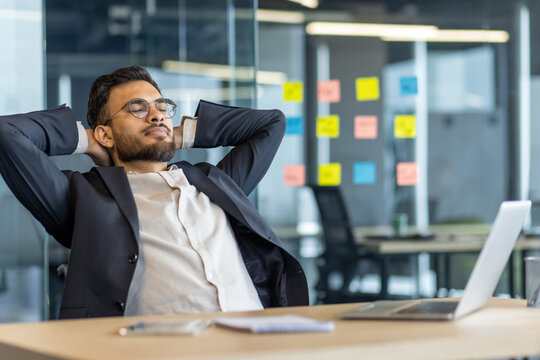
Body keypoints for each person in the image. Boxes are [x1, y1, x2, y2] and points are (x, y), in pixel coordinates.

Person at [0, 66, 308, 319]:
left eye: (162, 107)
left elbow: (271, 123)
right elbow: (8, 134)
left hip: (258, 343)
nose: (157, 115)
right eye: (137, 109)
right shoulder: (83, 198)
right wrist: (88, 140)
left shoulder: (214, 182)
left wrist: (179, 134)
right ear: (105, 132)